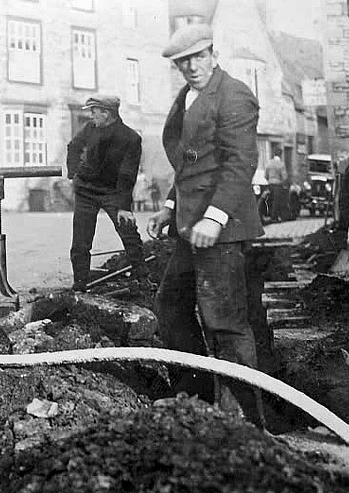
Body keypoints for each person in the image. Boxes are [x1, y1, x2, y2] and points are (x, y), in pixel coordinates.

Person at [147, 23, 265, 427]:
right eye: (184, 62)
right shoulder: (188, 96)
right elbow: (189, 164)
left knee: (226, 322)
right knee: (171, 306)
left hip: (222, 227)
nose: (192, 67)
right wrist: (168, 206)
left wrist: (215, 217)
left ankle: (245, 421)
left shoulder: (234, 94)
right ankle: (194, 400)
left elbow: (239, 164)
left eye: (198, 58)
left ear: (213, 53)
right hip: (190, 225)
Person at [67, 95, 144, 292]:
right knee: (81, 241)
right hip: (86, 191)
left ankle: (143, 278)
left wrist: (124, 207)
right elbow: (73, 147)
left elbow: (128, 174)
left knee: (128, 231)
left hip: (113, 193)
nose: (91, 115)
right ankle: (80, 285)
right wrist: (73, 173)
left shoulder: (131, 138)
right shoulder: (90, 129)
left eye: (93, 111)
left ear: (106, 113)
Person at [264, 148, 288, 221]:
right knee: (277, 201)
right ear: (281, 154)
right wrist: (282, 182)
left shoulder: (269, 163)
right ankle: (274, 217)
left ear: (274, 154)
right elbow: (284, 177)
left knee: (270, 200)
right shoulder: (281, 164)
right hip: (278, 185)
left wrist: (269, 179)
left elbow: (265, 175)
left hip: (270, 184)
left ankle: (269, 214)